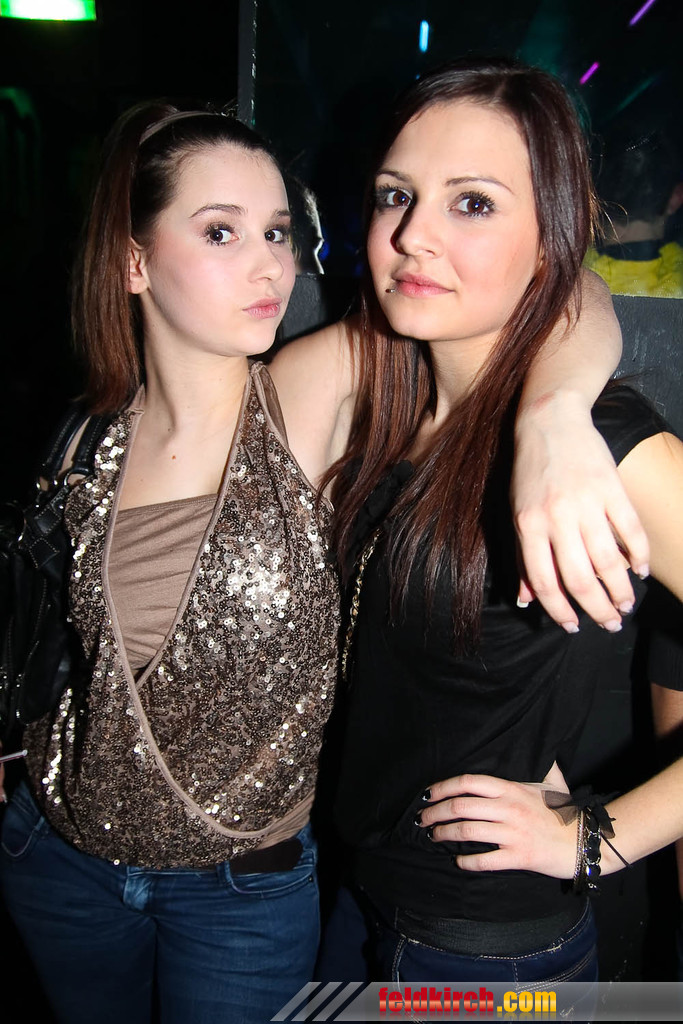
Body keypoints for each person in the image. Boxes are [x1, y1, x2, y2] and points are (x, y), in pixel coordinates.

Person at [0, 95, 649, 1022]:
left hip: (243, 892)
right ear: (134, 262)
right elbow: (52, 633)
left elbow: (566, 290)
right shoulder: (82, 436)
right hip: (60, 859)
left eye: (276, 231)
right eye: (221, 231)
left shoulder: (305, 395)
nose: (268, 263)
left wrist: (554, 414)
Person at [326, 56, 683, 985]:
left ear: (548, 239)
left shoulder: (604, 443)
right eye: (395, 195)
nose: (412, 234)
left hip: (479, 956)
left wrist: (594, 838)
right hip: (359, 903)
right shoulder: (397, 412)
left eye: (472, 203)